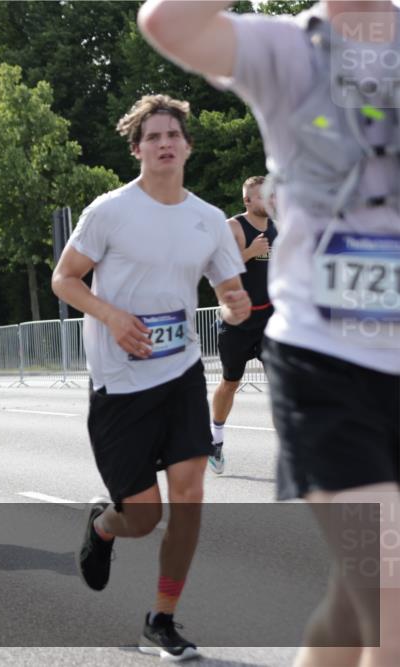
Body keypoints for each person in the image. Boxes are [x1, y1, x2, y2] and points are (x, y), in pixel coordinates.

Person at [140, 3, 400, 664]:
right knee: (391, 597)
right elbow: (169, 23)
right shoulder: (287, 47)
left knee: (355, 601)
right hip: (328, 365)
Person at [51, 94, 249, 660]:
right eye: (153, 136)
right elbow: (64, 279)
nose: (165, 143)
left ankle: (161, 620)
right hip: (119, 385)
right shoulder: (109, 211)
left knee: (189, 497)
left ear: (187, 145)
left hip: (182, 372)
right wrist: (111, 315)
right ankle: (106, 526)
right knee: (144, 516)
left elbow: (228, 291)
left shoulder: (209, 219)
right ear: (137, 148)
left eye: (173, 135)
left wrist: (235, 307)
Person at [208, 175, 278, 474]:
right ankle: (216, 439)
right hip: (237, 321)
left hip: (270, 319)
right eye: (261, 196)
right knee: (230, 382)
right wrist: (248, 253)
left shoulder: (280, 227)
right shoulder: (233, 227)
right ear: (248, 201)